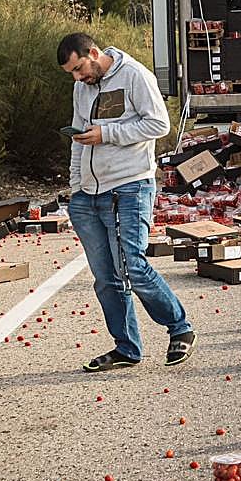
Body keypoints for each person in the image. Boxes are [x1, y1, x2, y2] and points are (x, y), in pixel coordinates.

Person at [58, 32, 196, 370]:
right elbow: (79, 138)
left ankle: (180, 329)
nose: (78, 78)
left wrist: (108, 134)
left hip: (129, 188)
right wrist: (76, 188)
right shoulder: (82, 88)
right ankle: (126, 347)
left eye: (79, 69)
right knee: (106, 278)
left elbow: (159, 124)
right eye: (73, 74)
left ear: (93, 53)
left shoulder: (135, 75)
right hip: (87, 196)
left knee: (132, 266)